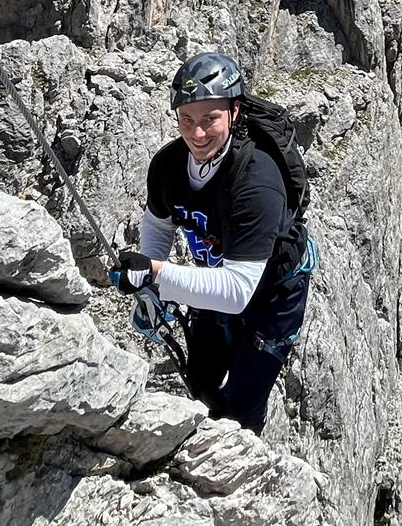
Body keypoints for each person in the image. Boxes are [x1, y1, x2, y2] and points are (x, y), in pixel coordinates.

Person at [115, 51, 315, 431]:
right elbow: (158, 224)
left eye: (210, 119)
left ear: (234, 112)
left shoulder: (257, 181)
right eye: (187, 120)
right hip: (217, 274)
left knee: (240, 409)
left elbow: (236, 291)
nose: (197, 134)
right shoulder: (168, 166)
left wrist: (155, 274)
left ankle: (244, 454)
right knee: (202, 380)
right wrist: (149, 289)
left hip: (274, 296)